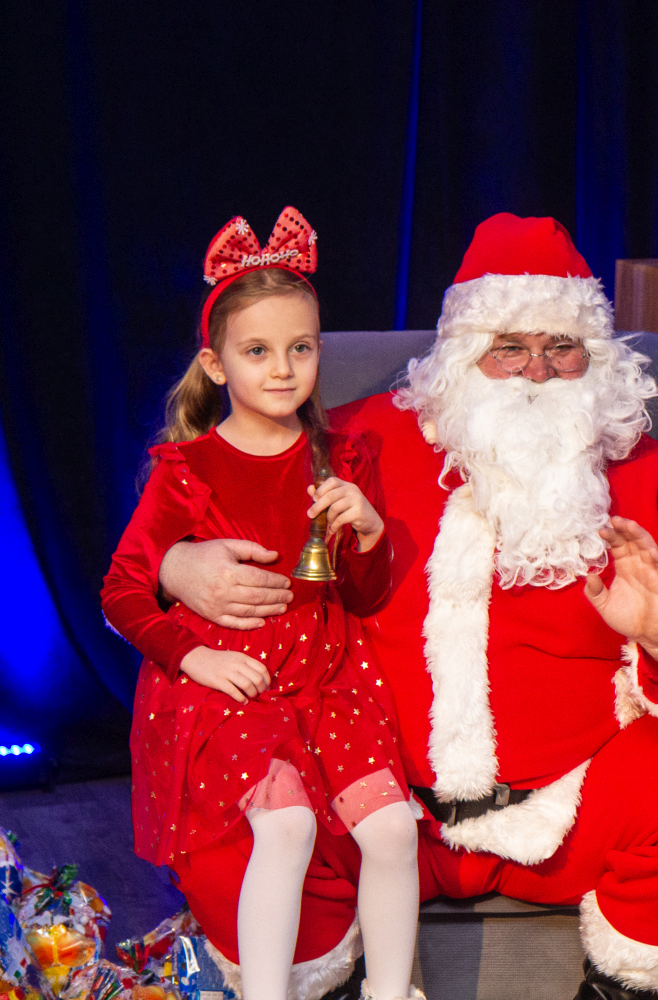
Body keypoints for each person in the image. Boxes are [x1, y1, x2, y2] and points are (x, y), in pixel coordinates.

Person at [154, 214, 658, 1000]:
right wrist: (177, 565)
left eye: (562, 348)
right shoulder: (354, 443)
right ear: (461, 350)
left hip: (577, 809)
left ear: (594, 357)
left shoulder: (652, 477)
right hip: (373, 805)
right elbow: (198, 499)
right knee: (231, 798)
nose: (536, 373)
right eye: (508, 347)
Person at [101, 209, 424, 1000]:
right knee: (287, 827)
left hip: (327, 679)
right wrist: (196, 656)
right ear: (215, 365)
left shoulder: (341, 457)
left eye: (300, 348)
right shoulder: (189, 469)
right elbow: (121, 590)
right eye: (258, 352)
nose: (283, 370)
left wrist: (370, 532)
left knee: (392, 829)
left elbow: (361, 593)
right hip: (232, 685)